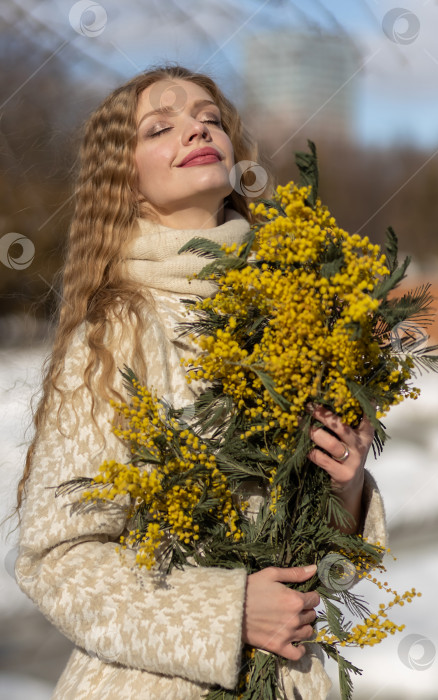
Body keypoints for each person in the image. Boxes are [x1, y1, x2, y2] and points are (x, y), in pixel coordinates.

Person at [15, 65, 387, 699]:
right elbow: (57, 559)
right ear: (124, 183)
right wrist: (229, 609)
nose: (197, 129)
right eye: (162, 126)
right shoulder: (115, 333)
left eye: (210, 119)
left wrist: (345, 489)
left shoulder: (293, 315)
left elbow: (318, 564)